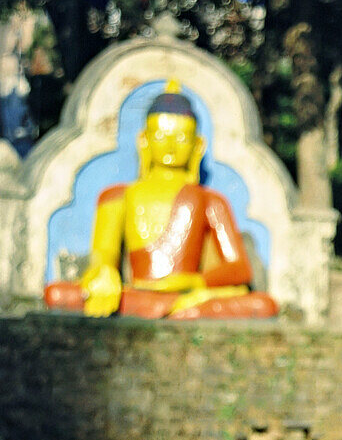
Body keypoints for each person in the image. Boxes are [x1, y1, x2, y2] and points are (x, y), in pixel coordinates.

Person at [44, 81, 277, 319]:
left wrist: (193, 283)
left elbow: (239, 269)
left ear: (197, 145)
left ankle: (174, 308)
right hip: (139, 293)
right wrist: (104, 275)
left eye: (181, 137)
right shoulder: (117, 196)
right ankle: (175, 311)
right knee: (57, 294)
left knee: (263, 305)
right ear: (144, 140)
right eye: (160, 135)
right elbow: (104, 253)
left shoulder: (210, 200)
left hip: (188, 293)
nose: (170, 145)